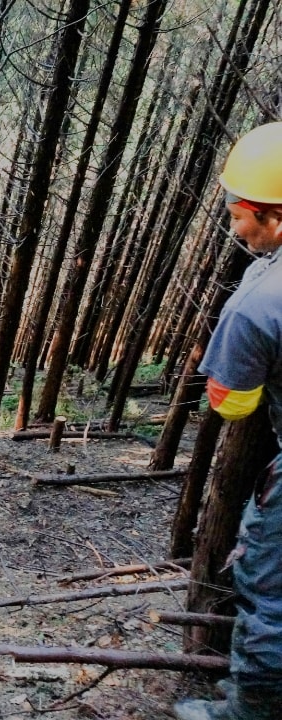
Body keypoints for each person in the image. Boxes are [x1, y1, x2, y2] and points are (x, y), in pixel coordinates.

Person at [174, 122, 282, 720]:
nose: (233, 227)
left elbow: (232, 401)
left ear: (272, 216)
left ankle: (252, 713)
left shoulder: (258, 300)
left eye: (239, 214)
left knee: (268, 593)